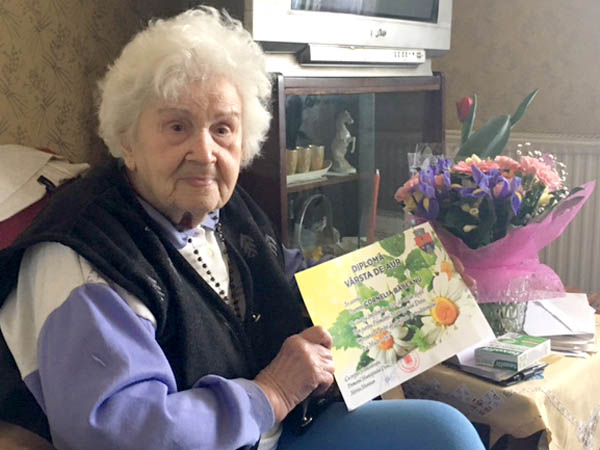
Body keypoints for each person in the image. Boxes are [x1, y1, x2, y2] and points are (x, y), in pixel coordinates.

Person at [0, 7, 486, 450]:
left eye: (222, 129)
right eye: (177, 127)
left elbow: (293, 283)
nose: (205, 152)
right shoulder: (87, 260)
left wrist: (410, 290)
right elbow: (121, 433)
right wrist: (271, 393)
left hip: (276, 431)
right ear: (127, 140)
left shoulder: (222, 208)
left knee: (444, 432)